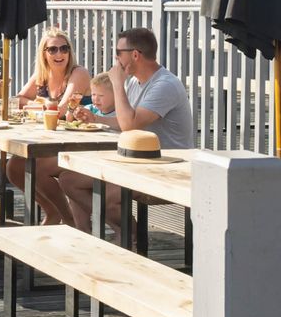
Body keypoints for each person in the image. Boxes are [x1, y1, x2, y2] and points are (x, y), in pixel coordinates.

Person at [61, 27, 194, 234]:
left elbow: (130, 125)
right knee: (70, 179)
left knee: (110, 197)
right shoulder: (135, 82)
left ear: (134, 55)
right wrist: (96, 118)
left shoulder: (165, 85)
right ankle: (97, 236)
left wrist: (117, 84)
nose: (116, 59)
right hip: (136, 159)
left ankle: (130, 237)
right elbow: (125, 121)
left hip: (165, 164)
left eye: (118, 53)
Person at [11, 28, 92, 226]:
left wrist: (38, 104)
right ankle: (52, 212)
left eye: (64, 49)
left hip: (83, 144)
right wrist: (41, 104)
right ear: (44, 53)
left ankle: (68, 218)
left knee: (35, 167)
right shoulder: (42, 75)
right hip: (53, 140)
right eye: (53, 49)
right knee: (14, 166)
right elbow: (18, 100)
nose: (59, 54)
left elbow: (62, 110)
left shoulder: (78, 73)